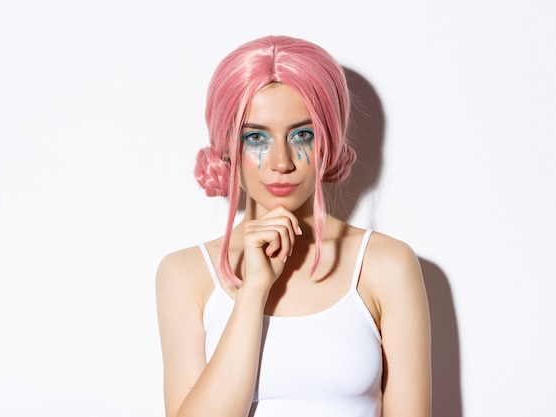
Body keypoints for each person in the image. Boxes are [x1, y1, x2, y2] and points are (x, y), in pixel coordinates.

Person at [155, 35, 431, 417]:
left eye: (303, 134)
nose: (281, 161)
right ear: (226, 148)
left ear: (328, 140)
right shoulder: (185, 273)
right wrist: (253, 291)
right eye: (256, 137)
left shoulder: (386, 265)